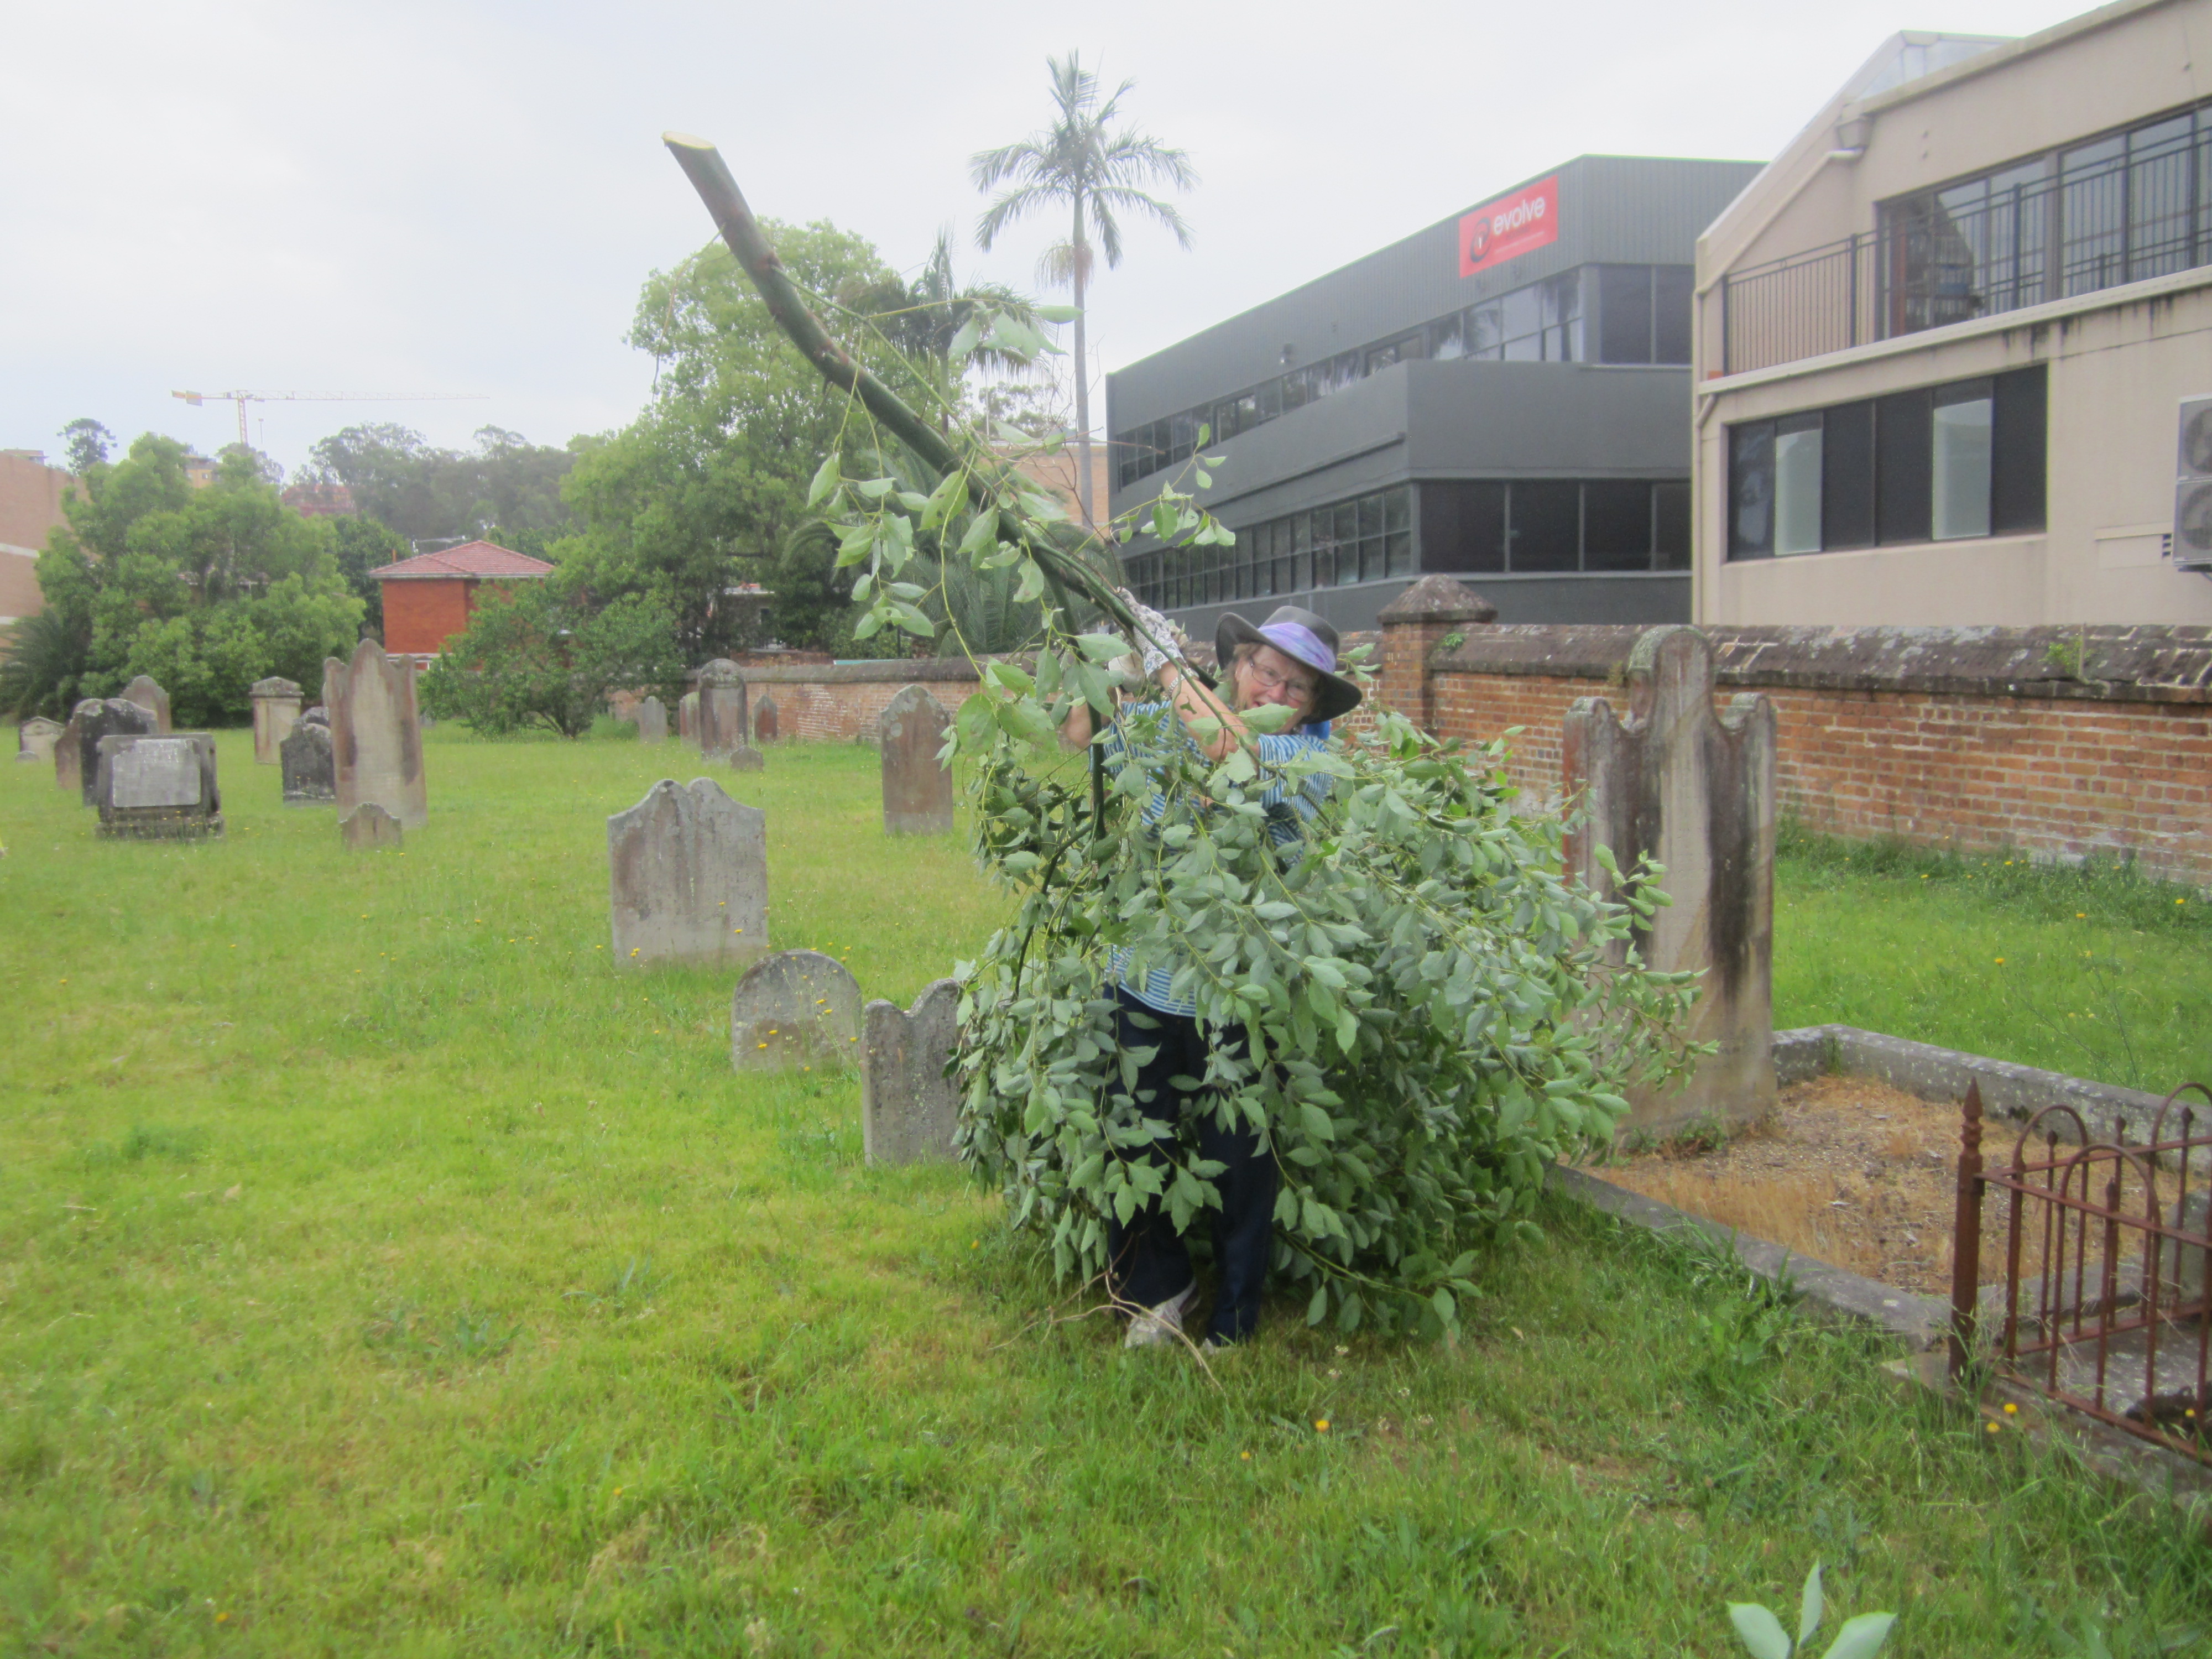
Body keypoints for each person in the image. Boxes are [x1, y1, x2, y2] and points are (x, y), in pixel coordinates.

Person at [1062, 601, 1364, 1349]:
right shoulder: (1178, 722)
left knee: (1235, 1158)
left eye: (1298, 690)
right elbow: (1080, 735)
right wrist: (1109, 668)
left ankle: (1234, 1315)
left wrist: (1165, 660)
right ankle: (1158, 1292)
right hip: (1142, 974)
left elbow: (1227, 748)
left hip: (1233, 988)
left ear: (1313, 711)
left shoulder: (1304, 764)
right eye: (1267, 672)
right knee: (1136, 1137)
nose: (1275, 694)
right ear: (1238, 667)